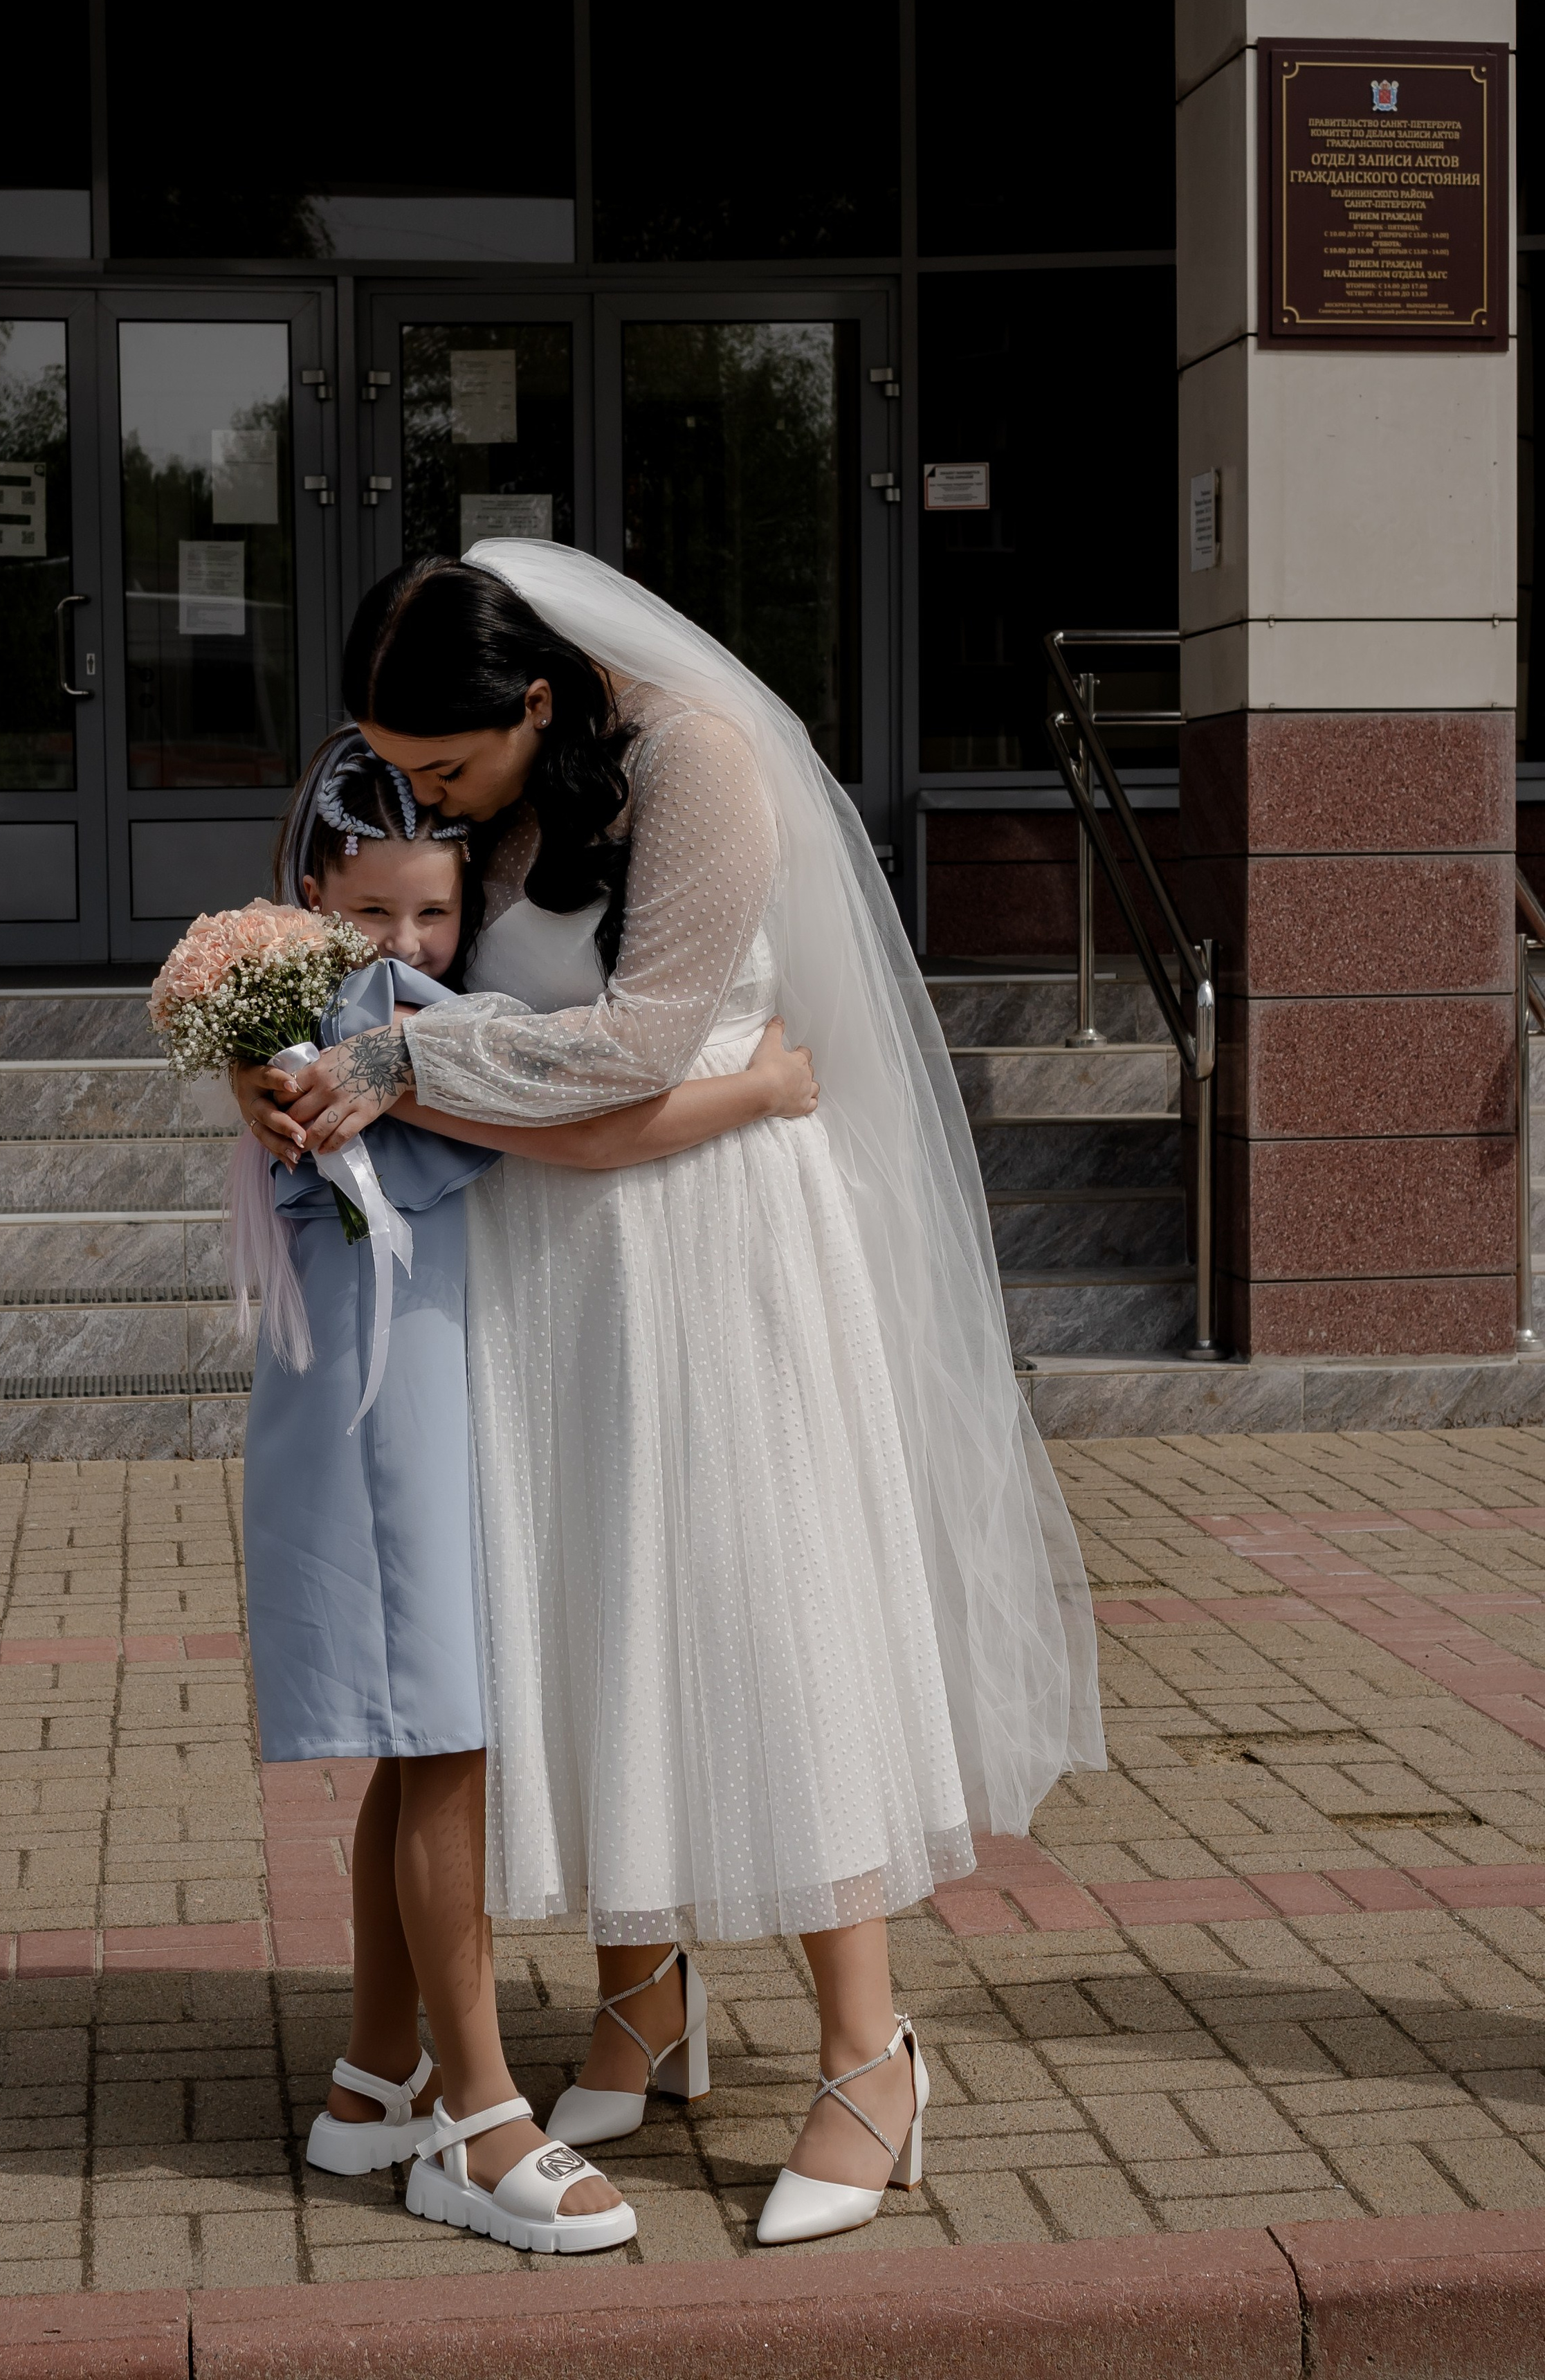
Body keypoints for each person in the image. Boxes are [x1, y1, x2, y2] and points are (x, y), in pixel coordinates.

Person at [244, 545, 1104, 2247]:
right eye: (403, 769)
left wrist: (397, 1069)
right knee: (589, 1629)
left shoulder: (696, 763)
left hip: (711, 1257)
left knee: (754, 1620)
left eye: (443, 768)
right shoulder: (492, 796)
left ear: (538, 701)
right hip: (554, 1272)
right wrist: (331, 1071)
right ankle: (640, 2004)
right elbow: (483, 1031)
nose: (421, 801)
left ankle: (871, 2058)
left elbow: (633, 1051)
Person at [235, 727, 820, 2254]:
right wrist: (760, 1090)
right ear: (311, 894)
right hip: (388, 1405)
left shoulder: (322, 1006)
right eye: (375, 915)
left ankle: (373, 2087)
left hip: (395, 1394)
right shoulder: (372, 1019)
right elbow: (592, 1131)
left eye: (435, 917)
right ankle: (479, 2124)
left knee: (411, 1748)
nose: (411, 948)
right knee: (443, 1745)